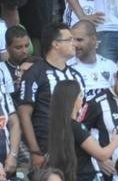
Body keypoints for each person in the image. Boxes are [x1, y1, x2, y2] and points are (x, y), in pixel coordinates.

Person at [17, 22, 83, 170]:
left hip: (76, 148)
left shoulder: (76, 75)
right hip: (47, 149)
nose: (74, 44)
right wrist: (35, 151)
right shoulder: (34, 74)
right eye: (69, 40)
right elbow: (24, 114)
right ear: (55, 44)